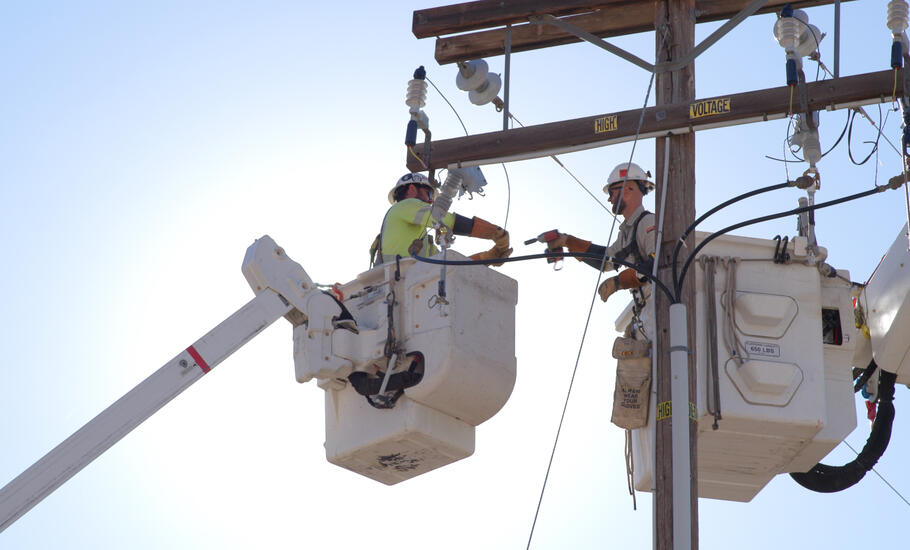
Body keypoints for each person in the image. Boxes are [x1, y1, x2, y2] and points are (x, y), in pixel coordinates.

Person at [545, 162, 656, 302]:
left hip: (658, 304)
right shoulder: (627, 232)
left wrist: (619, 282)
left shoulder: (649, 222)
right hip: (645, 307)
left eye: (612, 192)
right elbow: (606, 260)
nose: (609, 199)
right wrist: (568, 241)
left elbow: (657, 262)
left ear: (627, 190)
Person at [370, 172, 512, 267]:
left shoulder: (421, 240)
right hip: (398, 284)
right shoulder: (404, 205)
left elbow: (449, 265)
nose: (431, 200)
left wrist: (487, 257)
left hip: (404, 287)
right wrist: (494, 232)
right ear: (412, 189)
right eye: (430, 193)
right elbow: (444, 219)